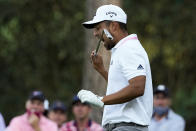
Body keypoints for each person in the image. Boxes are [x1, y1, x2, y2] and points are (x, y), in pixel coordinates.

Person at [77, 4, 153, 131]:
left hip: (127, 126)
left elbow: (138, 87)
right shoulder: (122, 49)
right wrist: (102, 70)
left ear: (113, 26)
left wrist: (101, 100)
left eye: (98, 28)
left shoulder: (128, 48)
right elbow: (123, 87)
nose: (95, 34)